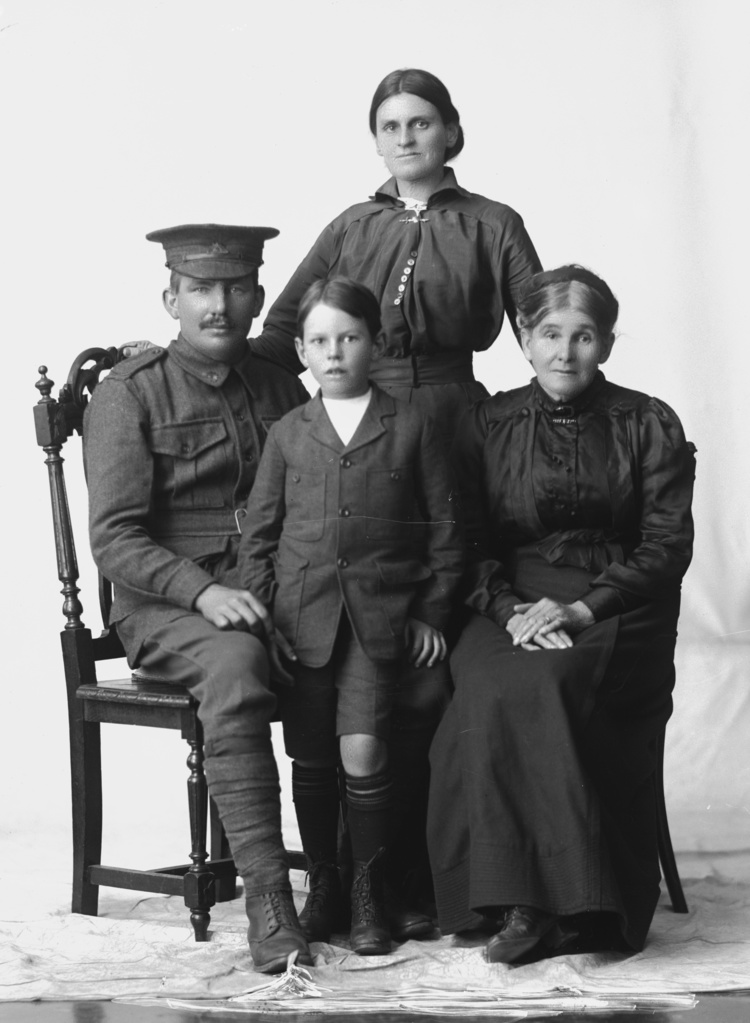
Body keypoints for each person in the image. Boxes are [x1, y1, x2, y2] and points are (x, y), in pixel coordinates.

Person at [249, 67, 542, 916]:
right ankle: (347, 870)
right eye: (390, 124)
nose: (407, 137)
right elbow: (284, 331)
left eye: (422, 122)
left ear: (451, 132)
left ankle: (430, 869)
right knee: (349, 654)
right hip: (349, 424)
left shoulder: (494, 222)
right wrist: (288, 434)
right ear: (375, 138)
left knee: (435, 634)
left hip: (451, 418)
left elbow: (540, 325)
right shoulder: (352, 224)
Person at [427, 265, 696, 962]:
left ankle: (571, 904)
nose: (565, 352)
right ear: (523, 337)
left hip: (618, 603)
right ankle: (508, 898)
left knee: (546, 683)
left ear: (605, 343)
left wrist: (581, 607)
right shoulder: (487, 422)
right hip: (509, 598)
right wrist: (512, 609)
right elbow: (469, 542)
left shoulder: (647, 421)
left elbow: (667, 546)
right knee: (487, 682)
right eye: (550, 333)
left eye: (583, 336)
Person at [84, 224, 312, 975]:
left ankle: (358, 885)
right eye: (202, 289)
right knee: (237, 666)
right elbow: (115, 539)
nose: (220, 304)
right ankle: (271, 903)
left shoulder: (281, 383)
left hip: (267, 590)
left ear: (256, 294)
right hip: (163, 606)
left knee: (368, 648)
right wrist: (203, 590)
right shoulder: (130, 392)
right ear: (171, 297)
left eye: (237, 287)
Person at [238, 278, 464, 955]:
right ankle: (326, 885)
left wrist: (429, 611)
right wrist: (263, 615)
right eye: (319, 340)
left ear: (376, 341)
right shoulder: (288, 432)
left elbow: (447, 531)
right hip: (301, 620)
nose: (334, 352)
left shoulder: (412, 423)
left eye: (349, 337)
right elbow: (261, 537)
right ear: (302, 350)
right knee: (308, 756)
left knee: (362, 749)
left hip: (380, 618)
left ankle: (371, 890)